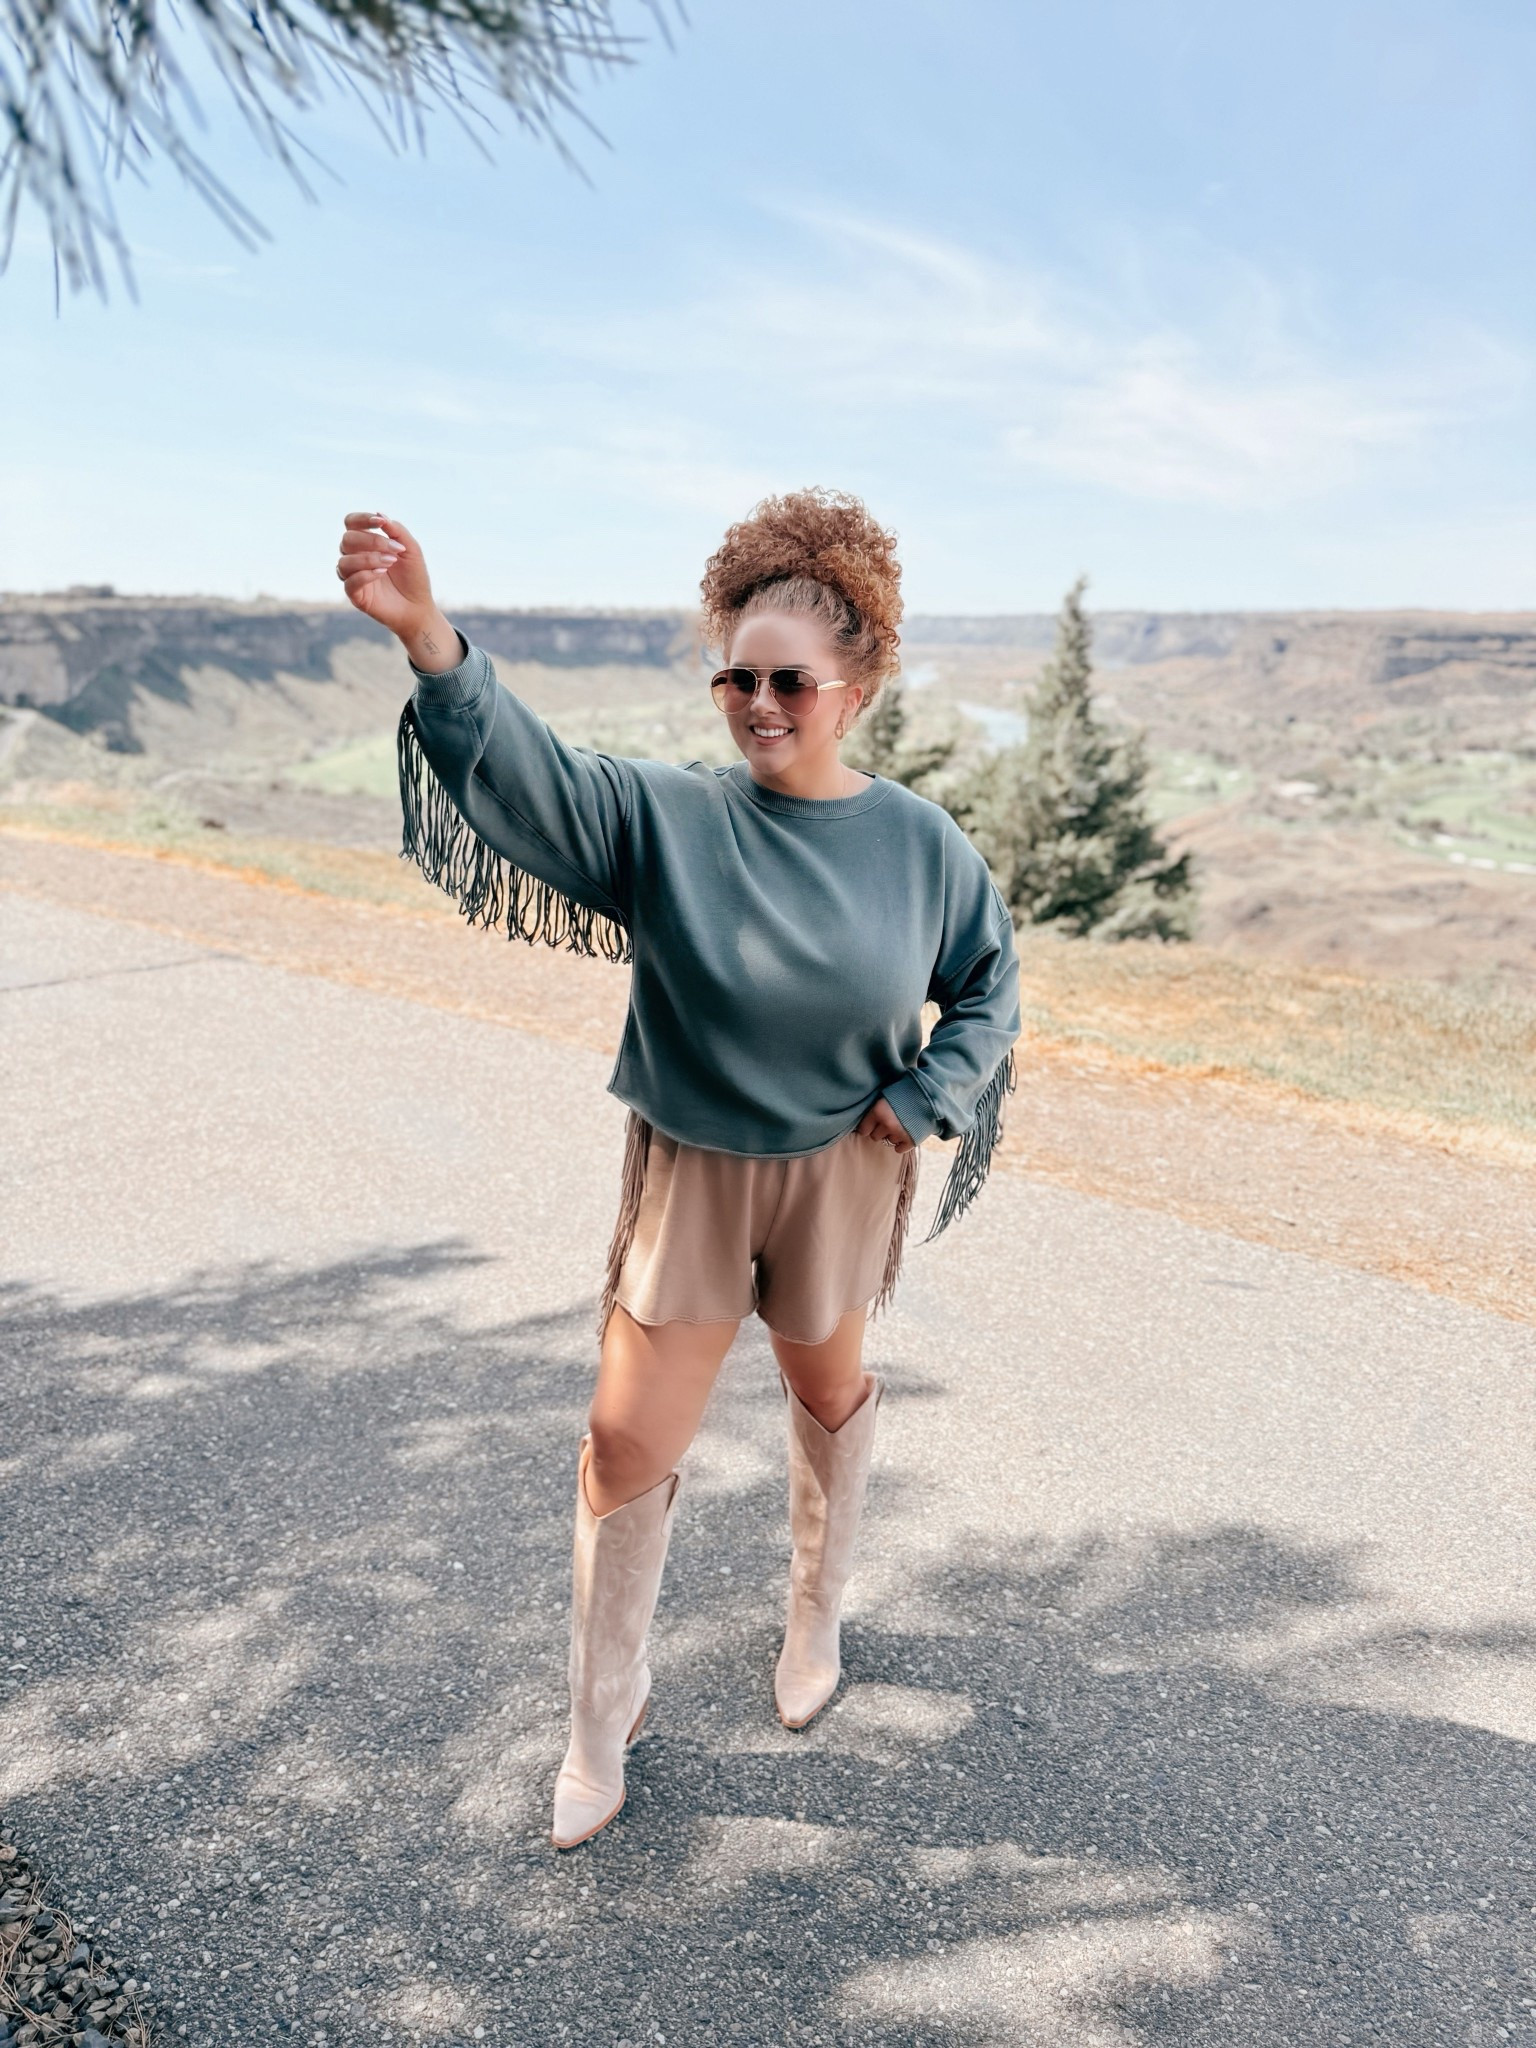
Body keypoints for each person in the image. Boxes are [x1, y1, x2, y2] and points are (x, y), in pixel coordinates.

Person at [334, 486, 1021, 1850]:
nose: (759, 704)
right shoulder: (671, 819)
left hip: (842, 1175)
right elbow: (534, 779)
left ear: (859, 685)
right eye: (736, 679)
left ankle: (814, 1615)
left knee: (827, 1389)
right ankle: (604, 1716)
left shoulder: (921, 845)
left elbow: (989, 989)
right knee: (623, 1442)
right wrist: (431, 641)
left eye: (790, 681)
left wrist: (924, 1096)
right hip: (697, 1176)